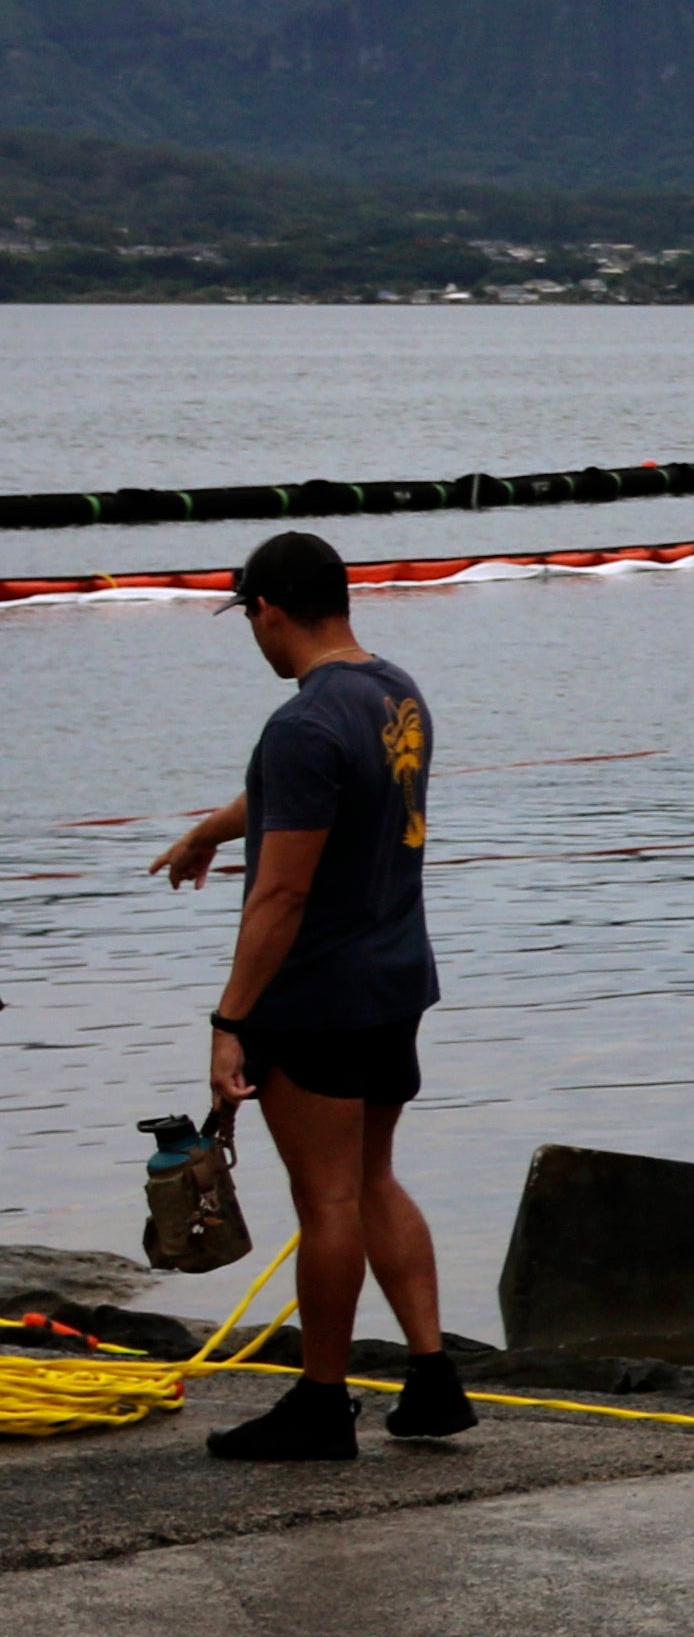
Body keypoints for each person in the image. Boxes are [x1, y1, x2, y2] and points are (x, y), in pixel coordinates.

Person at [152, 533, 469, 1461]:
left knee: (325, 1199)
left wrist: (230, 1022)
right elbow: (303, 797)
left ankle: (323, 1404)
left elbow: (282, 892)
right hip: (396, 976)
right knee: (371, 1179)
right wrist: (209, 831)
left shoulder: (300, 723)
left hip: (319, 994)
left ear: (269, 611)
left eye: (249, 616)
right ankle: (433, 1378)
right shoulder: (392, 690)